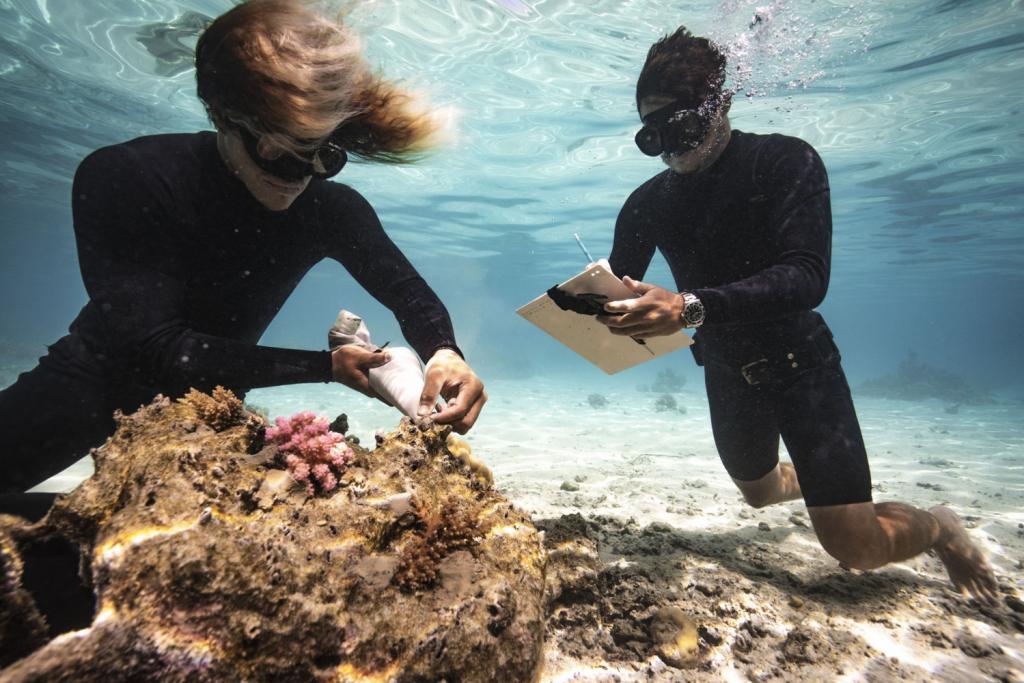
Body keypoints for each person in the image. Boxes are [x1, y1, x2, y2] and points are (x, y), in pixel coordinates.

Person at [0, 0, 487, 498]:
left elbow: (406, 291)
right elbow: (154, 347)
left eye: (322, 154)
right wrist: (325, 367)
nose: (300, 176)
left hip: (216, 407)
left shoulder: (329, 208)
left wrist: (444, 352)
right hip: (89, 386)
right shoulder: (129, 176)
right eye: (278, 151)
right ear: (223, 117)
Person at [597, 27, 997, 602]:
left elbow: (807, 276)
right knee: (759, 494)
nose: (669, 149)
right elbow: (616, 288)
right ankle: (825, 486)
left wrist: (688, 307)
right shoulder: (646, 203)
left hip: (801, 366)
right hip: (726, 370)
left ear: (720, 104)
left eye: (679, 128)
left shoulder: (784, 161)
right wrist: (593, 309)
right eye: (650, 136)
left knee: (855, 547)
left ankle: (938, 525)